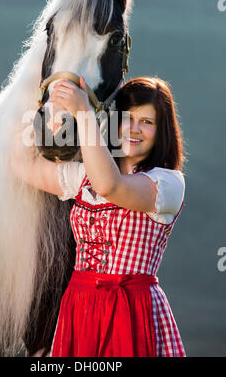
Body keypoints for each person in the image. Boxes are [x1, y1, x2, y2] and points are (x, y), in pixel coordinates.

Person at [10, 75, 186, 357]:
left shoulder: (167, 183)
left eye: (147, 122)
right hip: (79, 306)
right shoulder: (84, 177)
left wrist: (83, 113)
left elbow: (110, 185)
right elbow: (21, 164)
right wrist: (37, 97)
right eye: (127, 118)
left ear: (162, 131)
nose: (135, 129)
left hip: (131, 309)